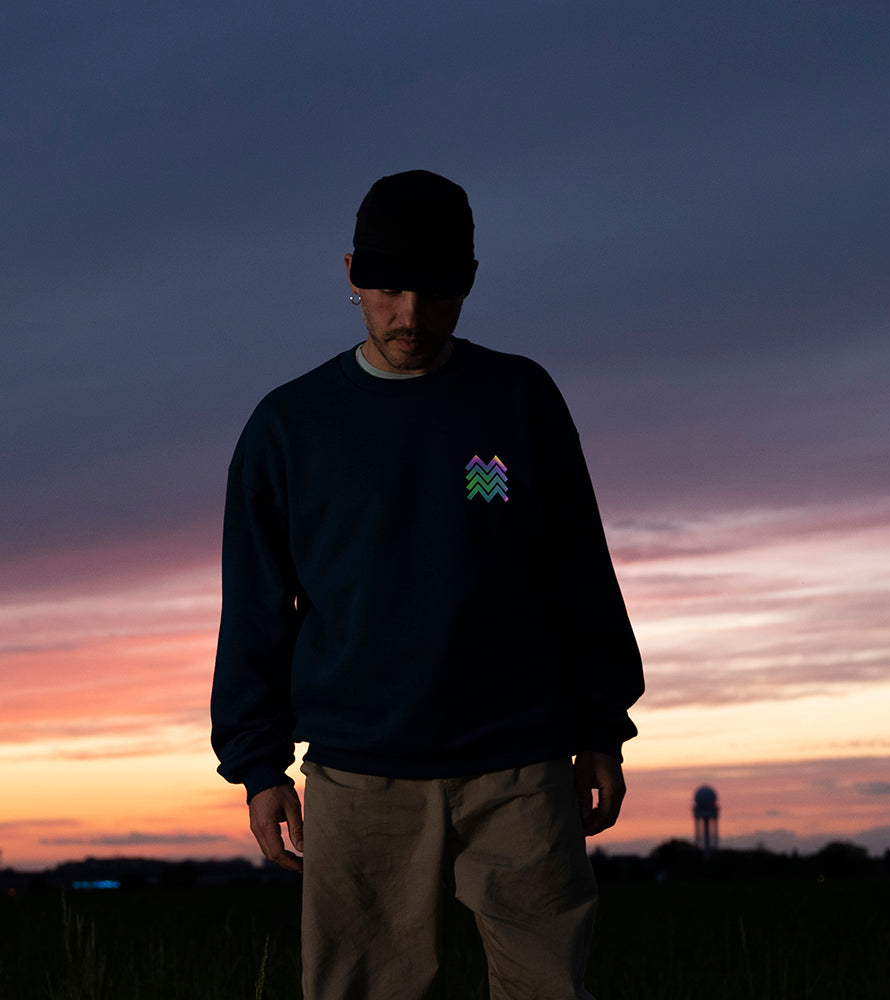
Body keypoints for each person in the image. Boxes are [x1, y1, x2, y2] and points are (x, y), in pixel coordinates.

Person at [211, 169, 644, 1000]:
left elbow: (578, 567)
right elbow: (257, 608)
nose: (410, 314)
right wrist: (259, 765)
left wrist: (601, 727)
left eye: (436, 291)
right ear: (351, 276)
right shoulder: (289, 427)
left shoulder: (518, 397)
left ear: (469, 284)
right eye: (389, 288)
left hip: (519, 762)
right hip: (359, 772)